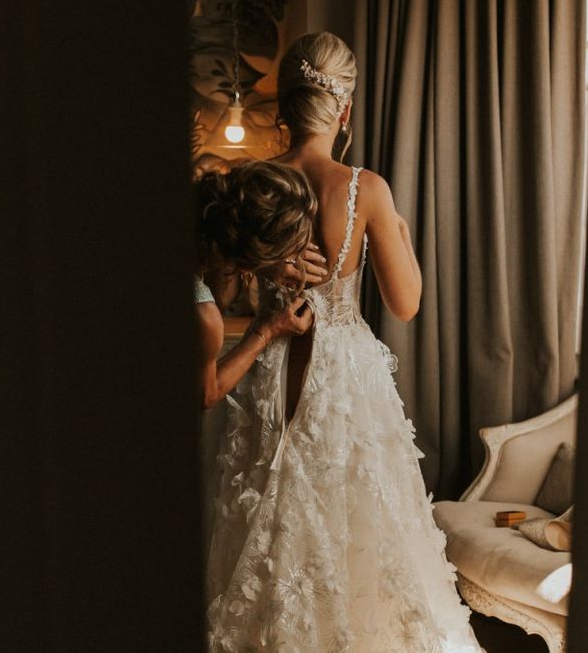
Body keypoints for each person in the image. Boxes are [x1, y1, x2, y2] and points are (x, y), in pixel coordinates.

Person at [206, 34, 482, 652]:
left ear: (284, 106)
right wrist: (399, 230)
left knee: (271, 521)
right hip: (344, 376)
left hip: (271, 365)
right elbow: (405, 304)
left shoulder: (254, 185)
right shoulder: (366, 190)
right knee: (354, 519)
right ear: (345, 111)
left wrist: (271, 274)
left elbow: (222, 290)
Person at [196, 160, 327, 410]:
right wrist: (269, 330)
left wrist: (261, 263)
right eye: (286, 256)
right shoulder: (204, 315)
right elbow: (205, 395)